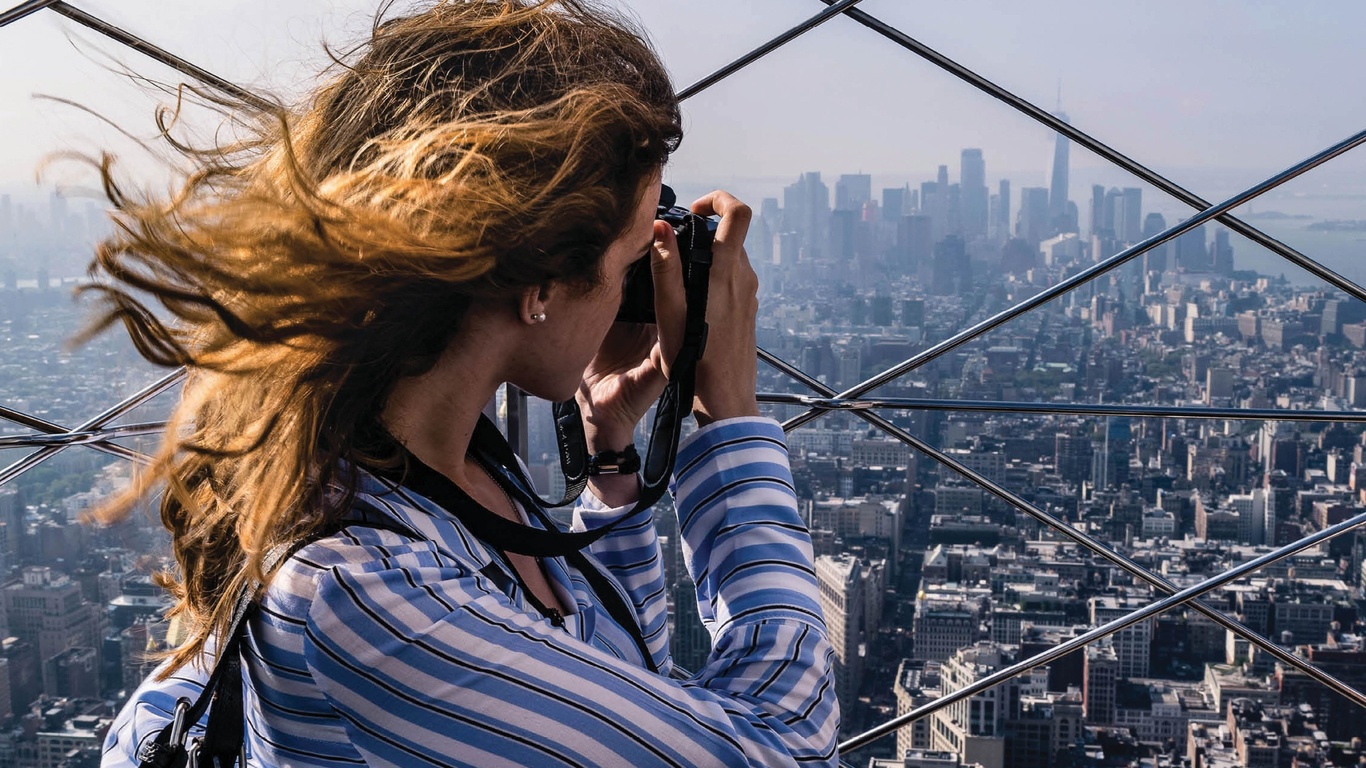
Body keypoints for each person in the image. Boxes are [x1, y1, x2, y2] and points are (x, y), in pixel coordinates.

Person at [95, 1, 837, 766]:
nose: (637, 288)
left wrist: (610, 453)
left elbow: (619, 687)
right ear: (542, 283)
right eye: (627, 262)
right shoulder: (361, 592)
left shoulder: (445, 463)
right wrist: (731, 422)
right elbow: (788, 748)